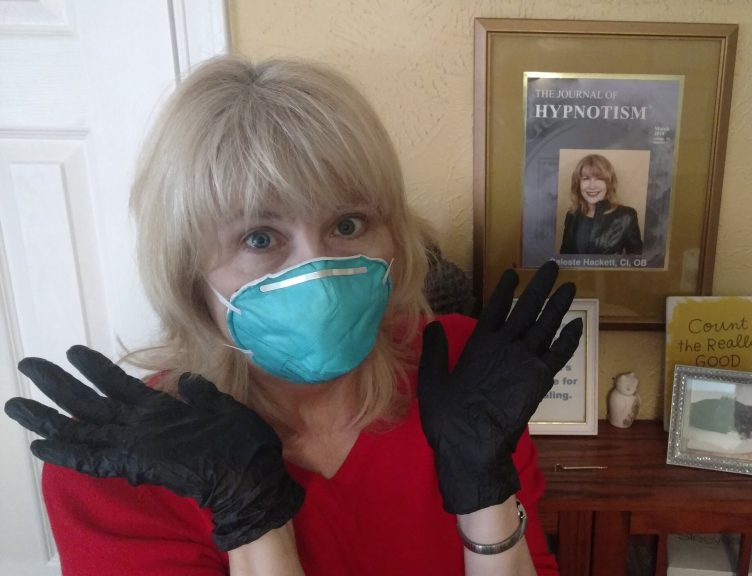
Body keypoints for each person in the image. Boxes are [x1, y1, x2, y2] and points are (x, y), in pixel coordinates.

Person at [3, 56, 582, 576]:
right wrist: (254, 522)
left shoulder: (464, 372)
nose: (321, 270)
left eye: (348, 224)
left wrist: (485, 494)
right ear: (186, 272)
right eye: (260, 237)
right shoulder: (119, 474)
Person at [558, 154, 643, 256]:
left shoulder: (627, 216)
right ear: (578, 183)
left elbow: (636, 261)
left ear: (609, 183)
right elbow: (564, 257)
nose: (592, 186)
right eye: (585, 178)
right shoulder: (572, 214)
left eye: (599, 178)